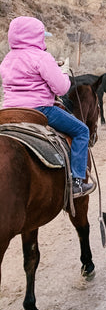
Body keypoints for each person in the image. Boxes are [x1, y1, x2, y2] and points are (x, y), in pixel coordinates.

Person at [0, 16, 94, 197]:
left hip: (9, 111)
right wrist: (63, 72)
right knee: (82, 131)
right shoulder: (42, 57)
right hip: (40, 109)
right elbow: (62, 87)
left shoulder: (8, 59)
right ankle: (77, 182)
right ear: (35, 37)